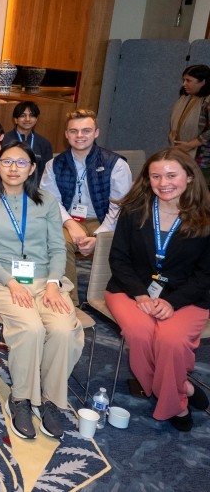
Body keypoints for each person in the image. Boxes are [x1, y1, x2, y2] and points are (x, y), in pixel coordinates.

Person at [0, 142, 83, 440]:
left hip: (46, 281)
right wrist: (10, 282)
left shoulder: (46, 202)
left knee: (62, 330)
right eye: (6, 161)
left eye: (21, 163)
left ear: (32, 168)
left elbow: (58, 248)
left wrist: (52, 284)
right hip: (3, 282)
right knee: (31, 327)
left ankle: (50, 400)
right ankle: (21, 398)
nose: (12, 168)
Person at [106, 148, 210, 431]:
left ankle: (172, 396)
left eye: (172, 175)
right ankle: (182, 393)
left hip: (187, 297)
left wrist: (172, 302)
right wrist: (140, 293)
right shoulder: (134, 210)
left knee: (171, 340)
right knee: (140, 332)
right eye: (156, 176)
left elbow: (206, 274)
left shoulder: (206, 217)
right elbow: (118, 258)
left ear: (189, 177)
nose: (164, 182)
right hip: (130, 291)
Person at [40, 109, 132, 303]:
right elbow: (51, 200)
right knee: (59, 243)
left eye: (86, 130)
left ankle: (107, 300)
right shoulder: (54, 165)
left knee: (115, 242)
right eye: (73, 131)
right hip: (69, 219)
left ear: (96, 132)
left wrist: (98, 237)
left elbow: (119, 206)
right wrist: (70, 224)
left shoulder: (116, 164)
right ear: (66, 134)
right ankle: (69, 301)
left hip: (105, 220)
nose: (79, 136)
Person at [168, 65, 210, 182]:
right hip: (182, 154)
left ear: (203, 82)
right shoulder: (186, 97)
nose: (184, 84)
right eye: (184, 80)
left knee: (200, 193)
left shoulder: (207, 101)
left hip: (203, 159)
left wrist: (190, 145)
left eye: (189, 80)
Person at [2, 102, 54, 179]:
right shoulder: (4, 140)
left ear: (36, 119)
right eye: (23, 116)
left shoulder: (44, 143)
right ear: (15, 120)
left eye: (32, 116)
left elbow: (46, 173)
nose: (27, 119)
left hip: (35, 186)